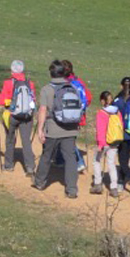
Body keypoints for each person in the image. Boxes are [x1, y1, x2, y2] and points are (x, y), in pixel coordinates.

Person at [35, 59, 83, 197]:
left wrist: (40, 129)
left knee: (47, 156)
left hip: (53, 129)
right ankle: (72, 189)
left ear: (51, 73)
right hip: (71, 128)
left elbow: (43, 110)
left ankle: (40, 182)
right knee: (70, 158)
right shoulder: (73, 88)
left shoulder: (46, 89)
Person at [0, 60, 38, 177]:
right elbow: (33, 100)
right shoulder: (30, 83)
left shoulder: (8, 83)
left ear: (12, 70)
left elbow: (3, 101)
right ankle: (30, 168)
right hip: (26, 116)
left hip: (11, 115)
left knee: (10, 139)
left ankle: (9, 165)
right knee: (26, 142)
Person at [92, 91, 124, 194]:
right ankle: (114, 188)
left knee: (96, 161)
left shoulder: (101, 113)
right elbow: (121, 126)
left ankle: (97, 184)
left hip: (104, 143)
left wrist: (100, 145)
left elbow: (100, 130)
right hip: (114, 141)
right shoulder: (117, 112)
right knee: (111, 163)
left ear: (102, 101)